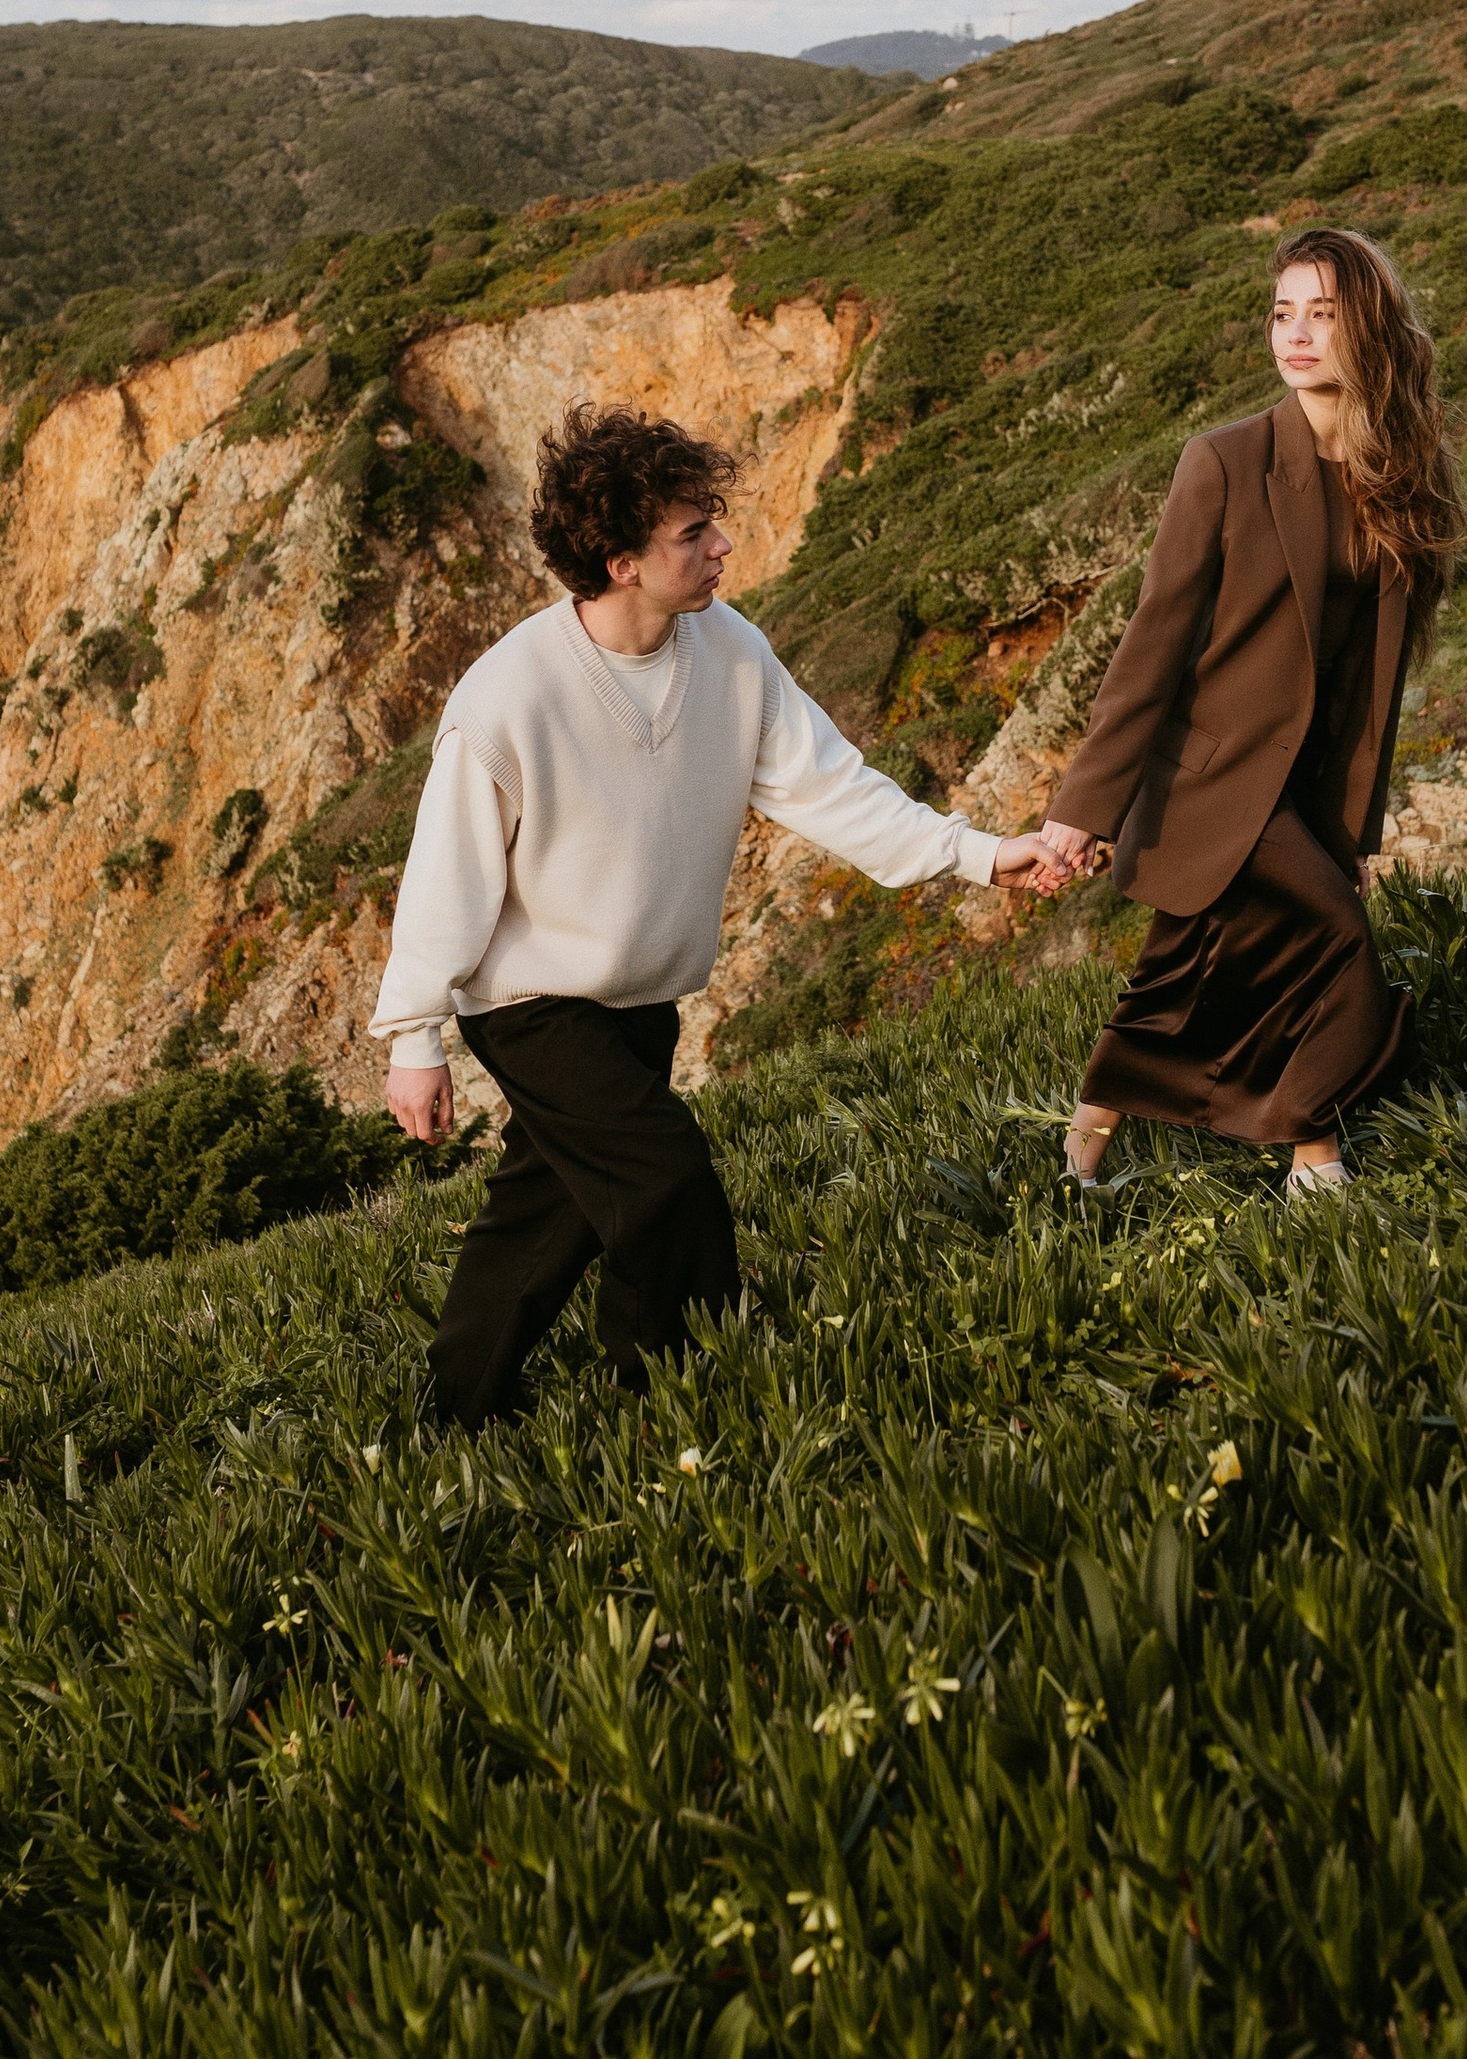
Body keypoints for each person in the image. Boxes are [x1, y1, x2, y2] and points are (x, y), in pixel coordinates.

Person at [375, 401, 1045, 1425]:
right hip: (530, 1004)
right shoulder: (508, 695)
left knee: (543, 1219)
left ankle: (448, 1417)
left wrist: (985, 854)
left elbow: (832, 789)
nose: (723, 544)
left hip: (641, 997)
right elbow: (446, 874)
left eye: (711, 520)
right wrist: (415, 1036)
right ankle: (678, 1401)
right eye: (693, 532)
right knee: (665, 1178)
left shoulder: (728, 650)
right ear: (619, 561)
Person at [1028, 227, 1467, 1195]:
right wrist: (1082, 807)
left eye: (1323, 313)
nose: (1296, 335)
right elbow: (1154, 642)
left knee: (1185, 975)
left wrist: (1349, 826)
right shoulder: (1222, 462)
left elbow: (1370, 684)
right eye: (1282, 313)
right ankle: (1316, 1158)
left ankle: (1080, 1155)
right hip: (1209, 779)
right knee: (1334, 942)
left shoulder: (1400, 472)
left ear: (1372, 329)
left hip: (1300, 784)